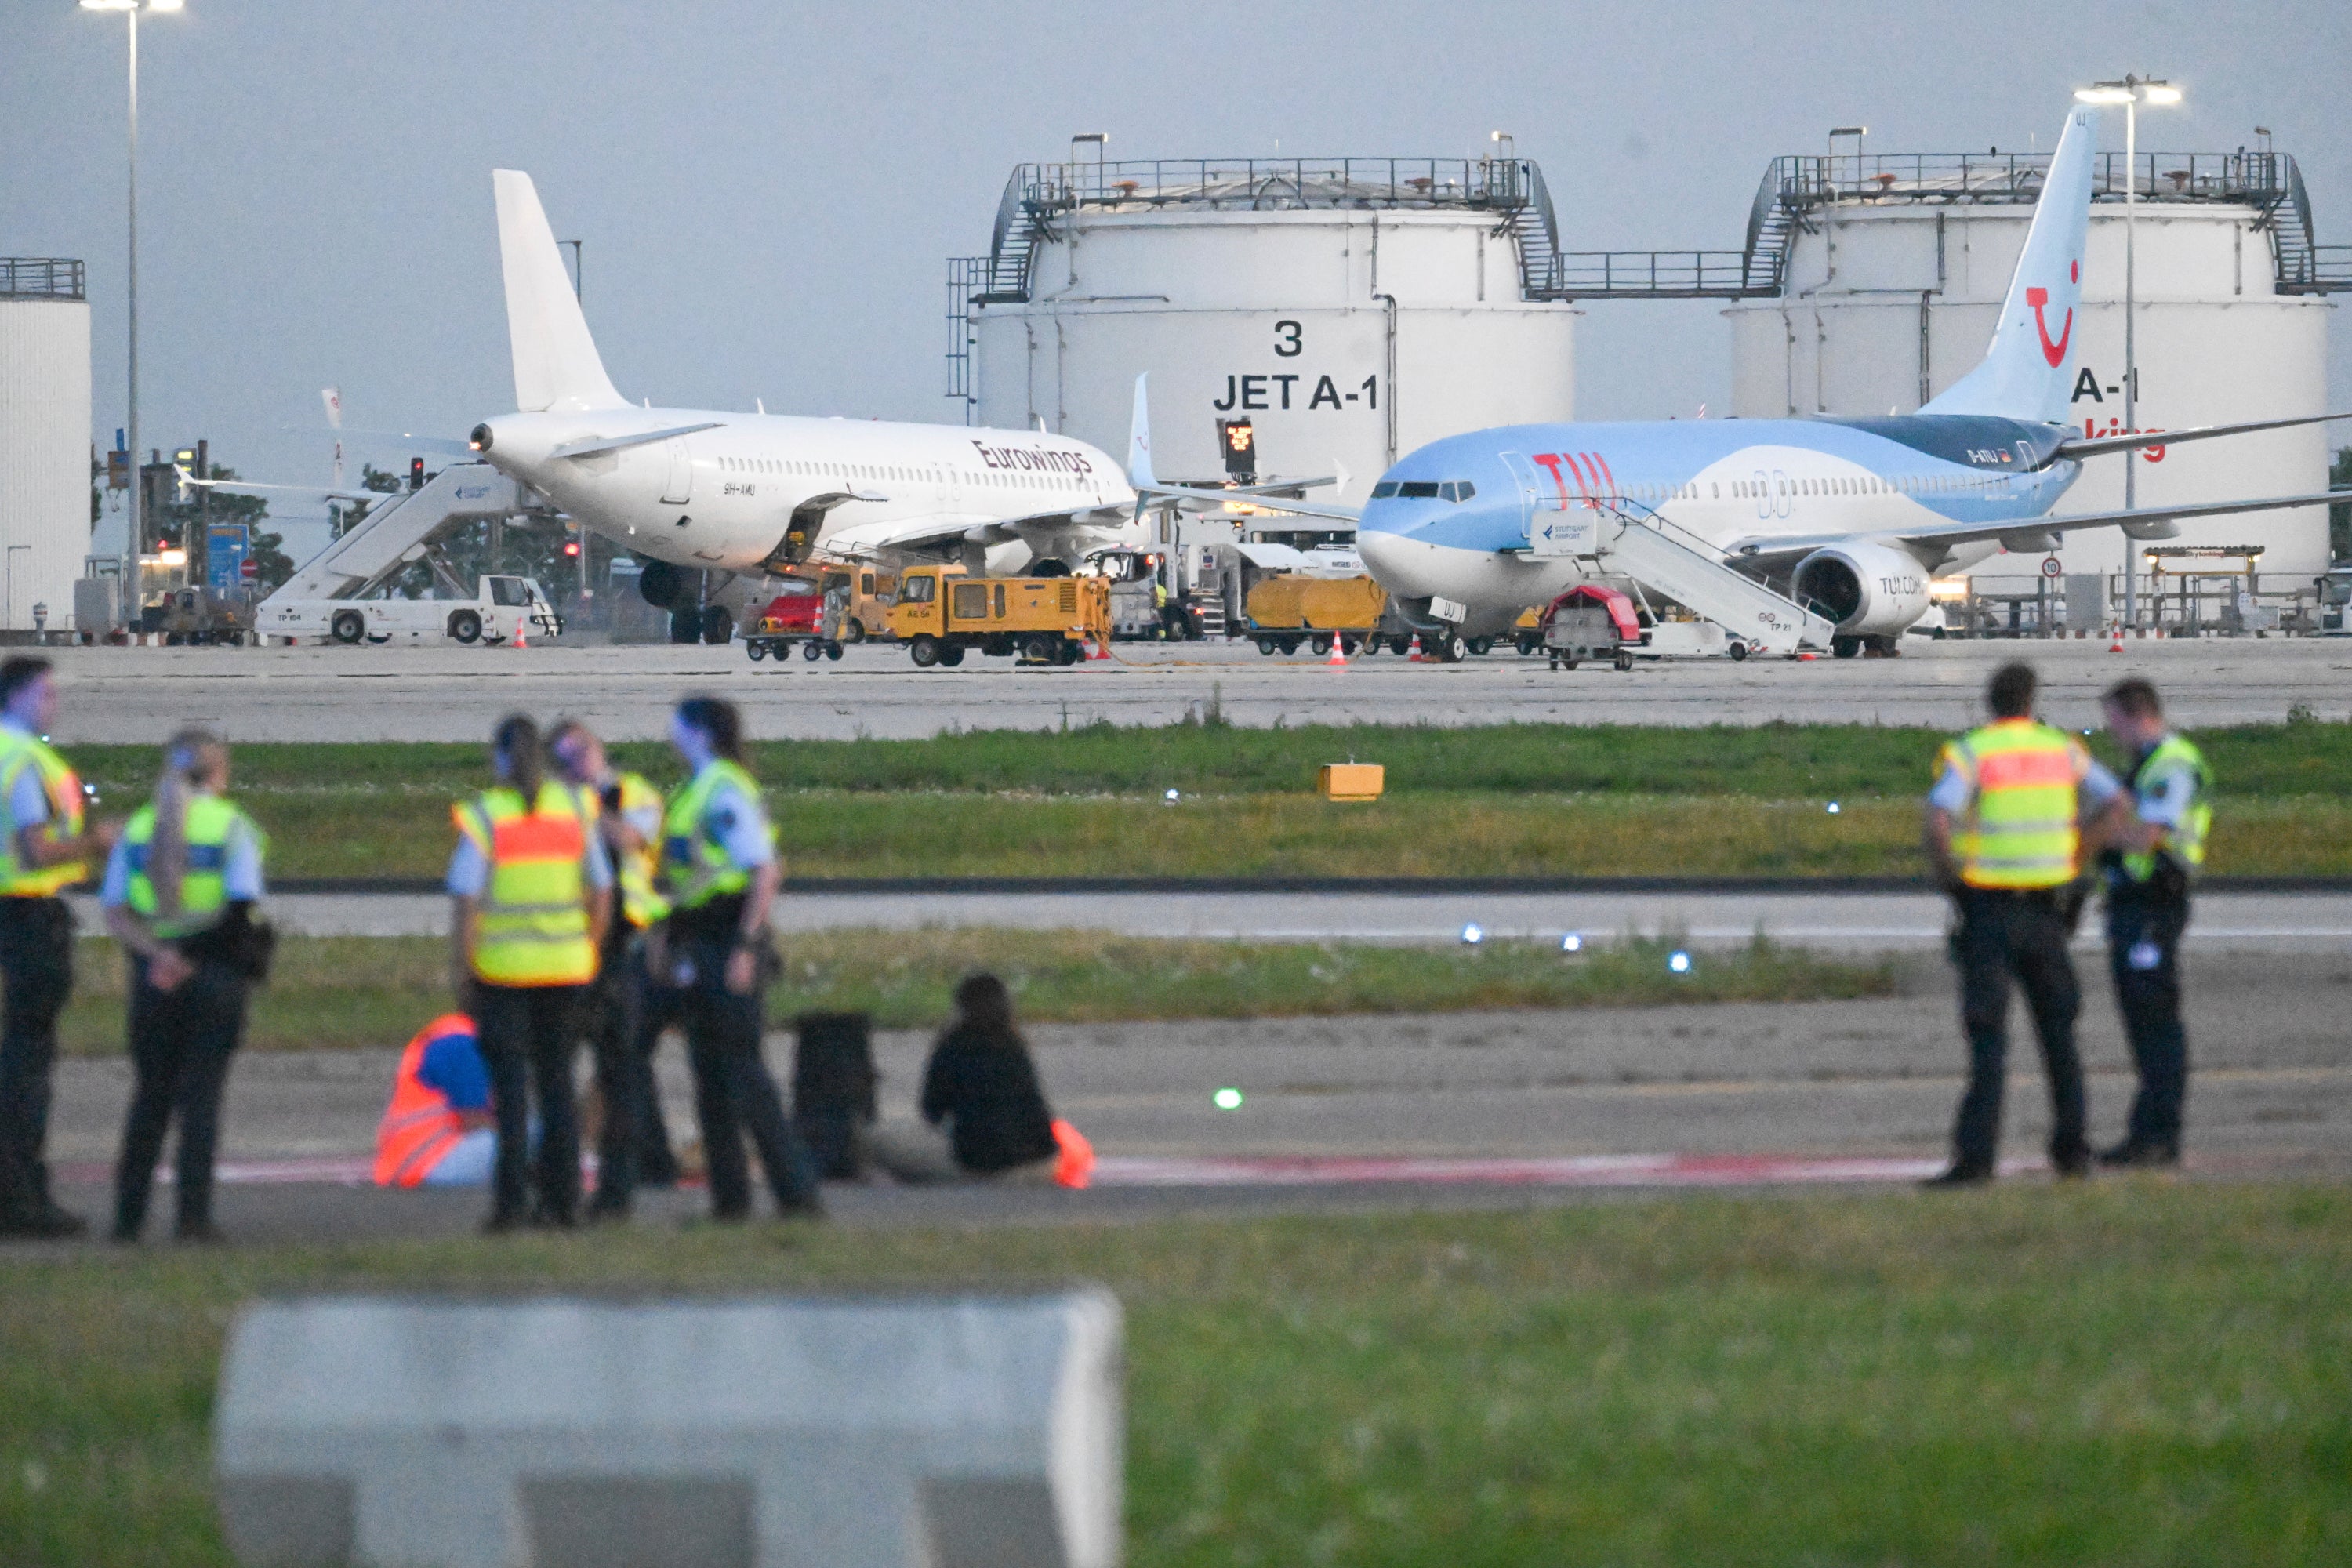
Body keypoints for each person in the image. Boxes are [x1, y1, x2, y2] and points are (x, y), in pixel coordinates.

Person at [1921, 660, 2125, 1187]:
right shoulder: (2062, 750)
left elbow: (1937, 817)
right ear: (2032, 702)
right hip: (2046, 912)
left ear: (1990, 703)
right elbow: (2117, 803)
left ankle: (1976, 1160)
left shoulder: (1973, 752)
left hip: (1988, 908)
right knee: (2059, 1035)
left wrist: (1952, 880)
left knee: (1988, 1038)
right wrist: (2079, 857)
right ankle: (2072, 1150)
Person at [659, 695, 821, 1220]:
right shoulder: (697, 787)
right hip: (698, 937)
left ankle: (797, 1195)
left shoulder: (722, 789)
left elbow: (764, 870)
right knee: (709, 1077)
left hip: (726, 937)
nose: (670, 732)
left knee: (744, 1075)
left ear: (701, 732)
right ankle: (730, 1201)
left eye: (679, 724)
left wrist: (746, 947)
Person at [102, 730, 267, 1243]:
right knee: (202, 1100)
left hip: (153, 979)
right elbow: (240, 908)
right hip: (214, 975)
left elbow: (116, 909)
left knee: (149, 1097)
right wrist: (192, 957)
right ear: (218, 773)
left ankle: (128, 1219)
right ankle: (192, 1218)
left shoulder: (138, 829)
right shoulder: (230, 826)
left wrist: (159, 955)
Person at [448, 714, 612, 1232]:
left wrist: (462, 968)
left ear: (499, 758)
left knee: (513, 1095)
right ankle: (565, 1204)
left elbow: (467, 899)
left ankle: (512, 1205)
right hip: (565, 971)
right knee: (559, 1087)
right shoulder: (576, 809)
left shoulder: (487, 815)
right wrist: (588, 945)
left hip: (501, 975)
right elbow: (602, 890)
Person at [0, 657, 116, 1239]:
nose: (54, 703)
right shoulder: (22, 762)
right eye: (45, 693)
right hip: (24, 914)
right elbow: (36, 851)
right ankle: (20, 1199)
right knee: (26, 1062)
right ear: (17, 697)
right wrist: (95, 840)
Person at [548, 720, 681, 1219]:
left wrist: (587, 804)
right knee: (622, 1061)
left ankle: (646, 1164)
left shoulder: (633, 793)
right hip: (581, 940)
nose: (576, 763)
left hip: (635, 935)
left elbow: (632, 839)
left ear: (599, 749)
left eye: (581, 751)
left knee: (629, 1057)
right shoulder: (559, 803)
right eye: (565, 758)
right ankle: (648, 1161)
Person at [2093, 678, 2211, 1168]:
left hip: (2155, 906)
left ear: (2136, 713)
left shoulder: (2173, 764)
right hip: (2134, 906)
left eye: (2115, 721)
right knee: (2142, 1020)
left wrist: (2097, 835)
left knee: (2156, 1020)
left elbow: (2149, 836)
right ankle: (2149, 1132)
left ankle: (2160, 1134)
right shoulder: (2146, 764)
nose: (2112, 732)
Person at [872, 973, 1061, 1185]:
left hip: (978, 1168)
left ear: (961, 1008)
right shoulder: (1014, 1045)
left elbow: (931, 1112)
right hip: (1041, 1164)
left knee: (875, 1144)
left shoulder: (953, 1047)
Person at [374, 1014, 499, 1189]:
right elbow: (474, 1120)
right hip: (430, 1162)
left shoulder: (450, 1034)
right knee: (537, 1136)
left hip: (408, 1162)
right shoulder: (459, 1042)